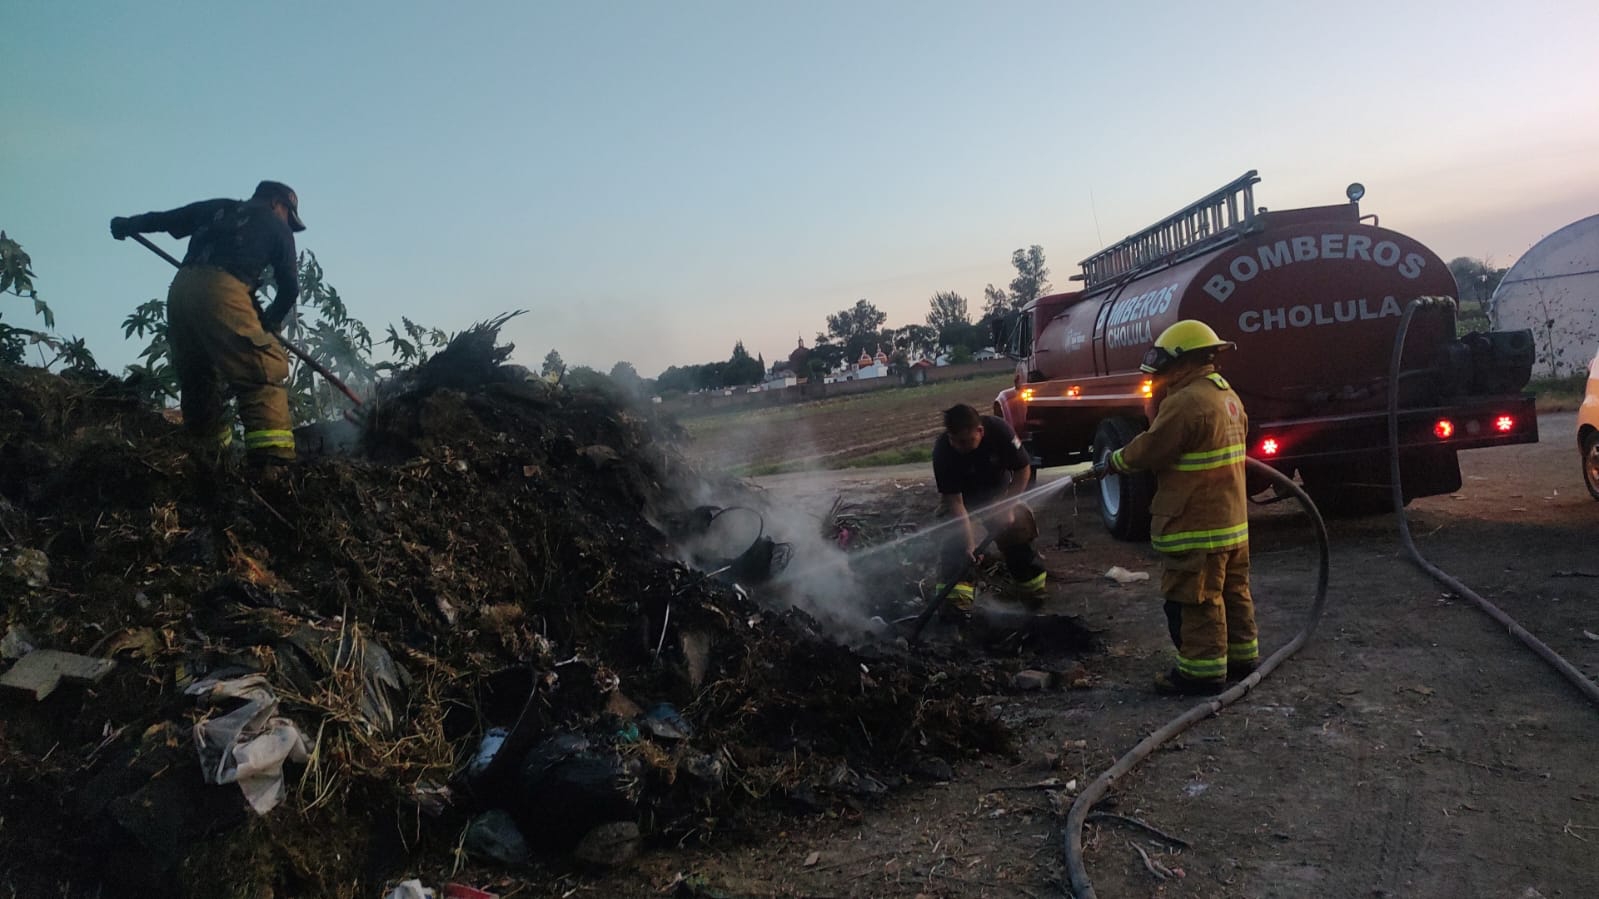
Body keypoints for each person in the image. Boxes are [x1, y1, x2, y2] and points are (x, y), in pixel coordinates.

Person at [1091, 320, 1256, 695]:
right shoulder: (1224, 394)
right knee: (1233, 592)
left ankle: (1200, 673)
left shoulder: (1185, 402)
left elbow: (1152, 448)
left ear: (1184, 361)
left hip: (1195, 522)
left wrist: (1114, 461)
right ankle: (1242, 659)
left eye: (1167, 366)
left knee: (1195, 598)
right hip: (1231, 522)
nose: (1162, 374)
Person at [110, 181, 305, 464]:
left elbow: (167, 220)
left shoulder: (219, 207)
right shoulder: (278, 226)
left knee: (199, 378)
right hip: (223, 292)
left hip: (181, 289)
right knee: (262, 370)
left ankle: (208, 455)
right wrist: (270, 325)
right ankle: (273, 466)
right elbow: (289, 289)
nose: (288, 222)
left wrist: (129, 225)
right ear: (279, 204)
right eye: (289, 215)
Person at [931, 403, 1048, 616]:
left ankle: (1031, 593)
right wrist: (969, 543)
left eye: (966, 442)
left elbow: (1023, 470)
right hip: (964, 503)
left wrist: (1009, 505)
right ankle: (956, 607)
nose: (959, 447)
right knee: (955, 543)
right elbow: (955, 503)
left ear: (980, 431)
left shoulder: (999, 431)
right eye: (954, 441)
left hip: (999, 495)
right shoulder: (942, 452)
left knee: (1018, 532)